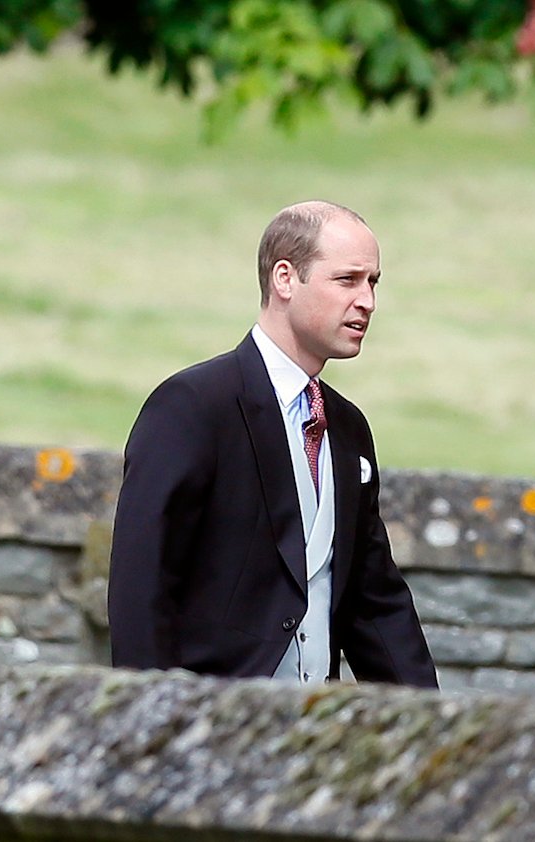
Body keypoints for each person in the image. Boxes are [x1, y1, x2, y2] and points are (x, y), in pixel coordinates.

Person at [108, 201, 437, 688]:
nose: (367, 301)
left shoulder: (347, 429)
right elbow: (142, 582)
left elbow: (374, 601)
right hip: (204, 727)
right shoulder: (193, 406)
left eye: (373, 282)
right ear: (285, 278)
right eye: (347, 280)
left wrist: (429, 727)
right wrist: (151, 724)